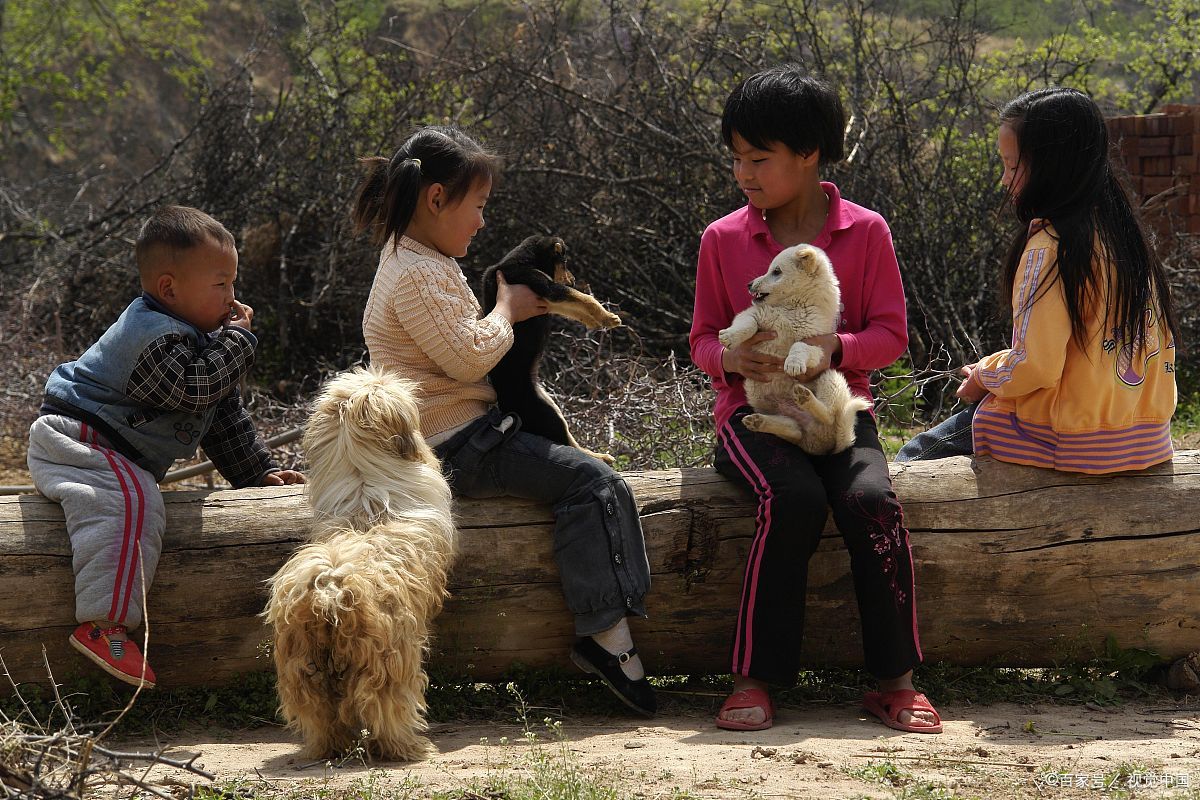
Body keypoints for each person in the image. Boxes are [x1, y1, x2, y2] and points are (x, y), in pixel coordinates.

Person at [351, 126, 656, 716]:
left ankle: (608, 630)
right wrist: (507, 308)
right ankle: (608, 639)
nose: (483, 222)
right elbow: (468, 356)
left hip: (464, 432)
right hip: (460, 442)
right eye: (479, 207)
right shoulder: (416, 274)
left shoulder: (416, 259)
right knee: (595, 482)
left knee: (582, 465)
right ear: (437, 200)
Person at [689, 65, 940, 733]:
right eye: (737, 157)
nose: (744, 172)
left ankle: (895, 682)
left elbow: (890, 334)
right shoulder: (723, 239)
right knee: (793, 497)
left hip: (840, 407)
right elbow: (701, 341)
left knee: (871, 500)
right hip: (752, 413)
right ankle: (754, 678)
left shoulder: (867, 232)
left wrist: (834, 350)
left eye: (759, 158)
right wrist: (730, 358)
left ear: (808, 155)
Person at [27, 205, 306, 688]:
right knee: (131, 502)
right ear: (169, 289)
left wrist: (256, 473)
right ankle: (104, 624)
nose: (232, 297)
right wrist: (238, 342)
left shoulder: (196, 338)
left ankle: (108, 620)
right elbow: (194, 389)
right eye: (220, 285)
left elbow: (219, 415)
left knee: (136, 492)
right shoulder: (150, 337)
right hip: (78, 440)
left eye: (233, 284)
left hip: (109, 449)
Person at [896, 87, 1178, 473]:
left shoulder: (1049, 247)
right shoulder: (1125, 237)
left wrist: (983, 376)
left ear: (1052, 166)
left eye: (1011, 166)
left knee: (911, 461)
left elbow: (1036, 367)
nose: (1003, 180)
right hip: (1146, 439)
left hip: (1070, 439)